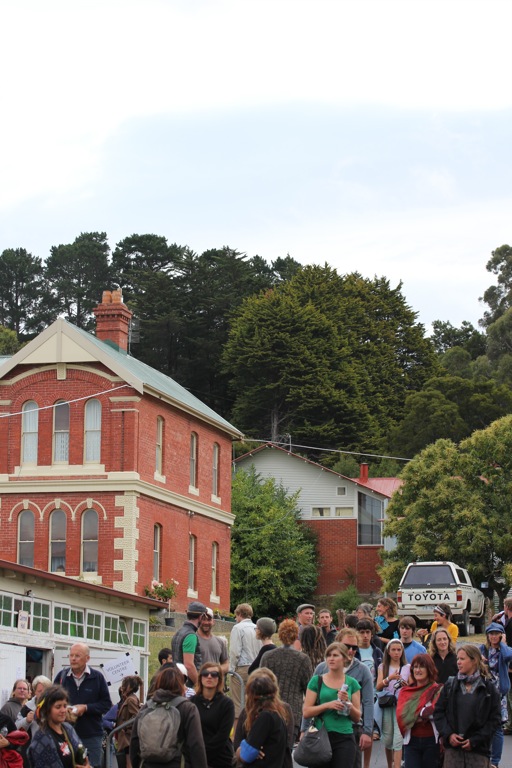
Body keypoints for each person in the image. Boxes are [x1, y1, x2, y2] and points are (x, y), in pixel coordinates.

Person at [310, 628, 374, 768]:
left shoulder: (362, 670)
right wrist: (304, 729)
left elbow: (368, 702)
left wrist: (367, 731)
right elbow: (310, 703)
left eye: (354, 648)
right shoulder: (322, 668)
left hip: (351, 729)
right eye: (347, 646)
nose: (350, 651)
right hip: (323, 729)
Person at [433, 644, 501, 768]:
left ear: (474, 660)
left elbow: (494, 719)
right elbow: (438, 712)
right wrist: (448, 735)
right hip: (453, 753)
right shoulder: (450, 685)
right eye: (457, 659)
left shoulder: (488, 689)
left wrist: (475, 740)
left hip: (478, 753)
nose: (458, 662)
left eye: (462, 659)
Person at [130, 666, 207, 768]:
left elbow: (134, 742)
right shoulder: (187, 708)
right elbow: (196, 745)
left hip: (148, 764)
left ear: (158, 683)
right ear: (180, 684)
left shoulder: (147, 707)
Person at [303, 642, 362, 768]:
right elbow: (306, 712)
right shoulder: (316, 681)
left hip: (345, 737)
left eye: (335, 655)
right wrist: (328, 705)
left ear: (345, 658)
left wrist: (348, 703)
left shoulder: (352, 683)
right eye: (328, 655)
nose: (331, 658)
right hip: (321, 736)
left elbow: (357, 717)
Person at [54, 642, 112, 768]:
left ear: (87, 658)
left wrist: (86, 708)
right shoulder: (62, 677)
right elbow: (52, 702)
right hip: (65, 735)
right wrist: (65, 710)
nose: (73, 659)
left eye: (77, 656)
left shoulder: (97, 677)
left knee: (92, 765)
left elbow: (106, 704)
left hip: (91, 735)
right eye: (71, 655)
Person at [234, 667, 295, 767]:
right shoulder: (273, 713)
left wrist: (249, 747)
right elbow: (237, 743)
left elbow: (246, 754)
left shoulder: (268, 715)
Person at [264, 619, 313, 740]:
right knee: (287, 747)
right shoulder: (303, 659)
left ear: (279, 635)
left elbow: (261, 684)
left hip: (269, 709)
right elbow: (309, 689)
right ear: (297, 636)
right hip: (293, 712)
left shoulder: (268, 656)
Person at [396, 653, 442, 768]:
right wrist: (423, 714)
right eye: (415, 667)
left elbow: (435, 713)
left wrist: (414, 714)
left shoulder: (437, 689)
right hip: (411, 742)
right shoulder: (406, 692)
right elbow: (401, 716)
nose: (417, 670)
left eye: (422, 666)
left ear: (429, 669)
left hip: (432, 742)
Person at [27, 684, 88, 768]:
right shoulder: (42, 739)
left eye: (65, 706)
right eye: (58, 707)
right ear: (47, 710)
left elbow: (82, 754)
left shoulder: (68, 729)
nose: (63, 710)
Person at [478, 622, 512, 768]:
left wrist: (503, 643)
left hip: (499, 693)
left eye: (496, 634)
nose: (493, 636)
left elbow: (508, 656)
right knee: (483, 724)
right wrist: (479, 660)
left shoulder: (505, 650)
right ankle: (484, 757)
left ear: (501, 635)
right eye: (491, 634)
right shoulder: (483, 649)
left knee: (497, 727)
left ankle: (495, 762)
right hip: (484, 691)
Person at [191, 662, 234, 768]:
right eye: (205, 674)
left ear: (219, 679)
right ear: (200, 678)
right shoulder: (191, 703)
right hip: (195, 757)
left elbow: (222, 735)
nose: (209, 676)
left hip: (221, 758)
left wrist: (203, 755)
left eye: (214, 674)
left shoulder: (227, 704)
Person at [376, 639, 411, 768]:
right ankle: (389, 765)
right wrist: (389, 679)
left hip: (401, 706)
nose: (396, 653)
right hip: (387, 705)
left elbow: (412, 687)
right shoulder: (383, 667)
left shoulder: (408, 667)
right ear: (388, 652)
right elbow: (378, 686)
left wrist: (405, 686)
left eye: (399, 650)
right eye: (393, 650)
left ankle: (397, 766)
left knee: (398, 739)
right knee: (388, 738)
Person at [229, 603, 261, 730]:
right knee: (253, 704)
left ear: (239, 614)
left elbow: (235, 652)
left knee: (238, 705)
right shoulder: (257, 628)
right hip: (256, 668)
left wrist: (232, 670)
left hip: (242, 667)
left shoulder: (238, 628)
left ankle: (236, 736)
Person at [171, 600, 207, 686]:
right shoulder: (191, 635)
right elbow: (189, 665)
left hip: (177, 680)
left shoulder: (179, 632)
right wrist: (199, 686)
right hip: (186, 684)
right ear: (201, 617)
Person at [114, 675, 142, 768]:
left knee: (129, 763)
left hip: (128, 737)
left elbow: (136, 716)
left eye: (124, 685)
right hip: (127, 737)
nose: (122, 687)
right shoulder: (131, 698)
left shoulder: (130, 700)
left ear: (129, 687)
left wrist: (125, 726)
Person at [197, 608, 229, 674]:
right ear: (198, 621)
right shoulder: (193, 640)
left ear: (213, 622)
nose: (206, 623)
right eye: (203, 619)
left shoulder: (220, 642)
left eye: (209, 620)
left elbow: (226, 664)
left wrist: (215, 670)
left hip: (215, 679)